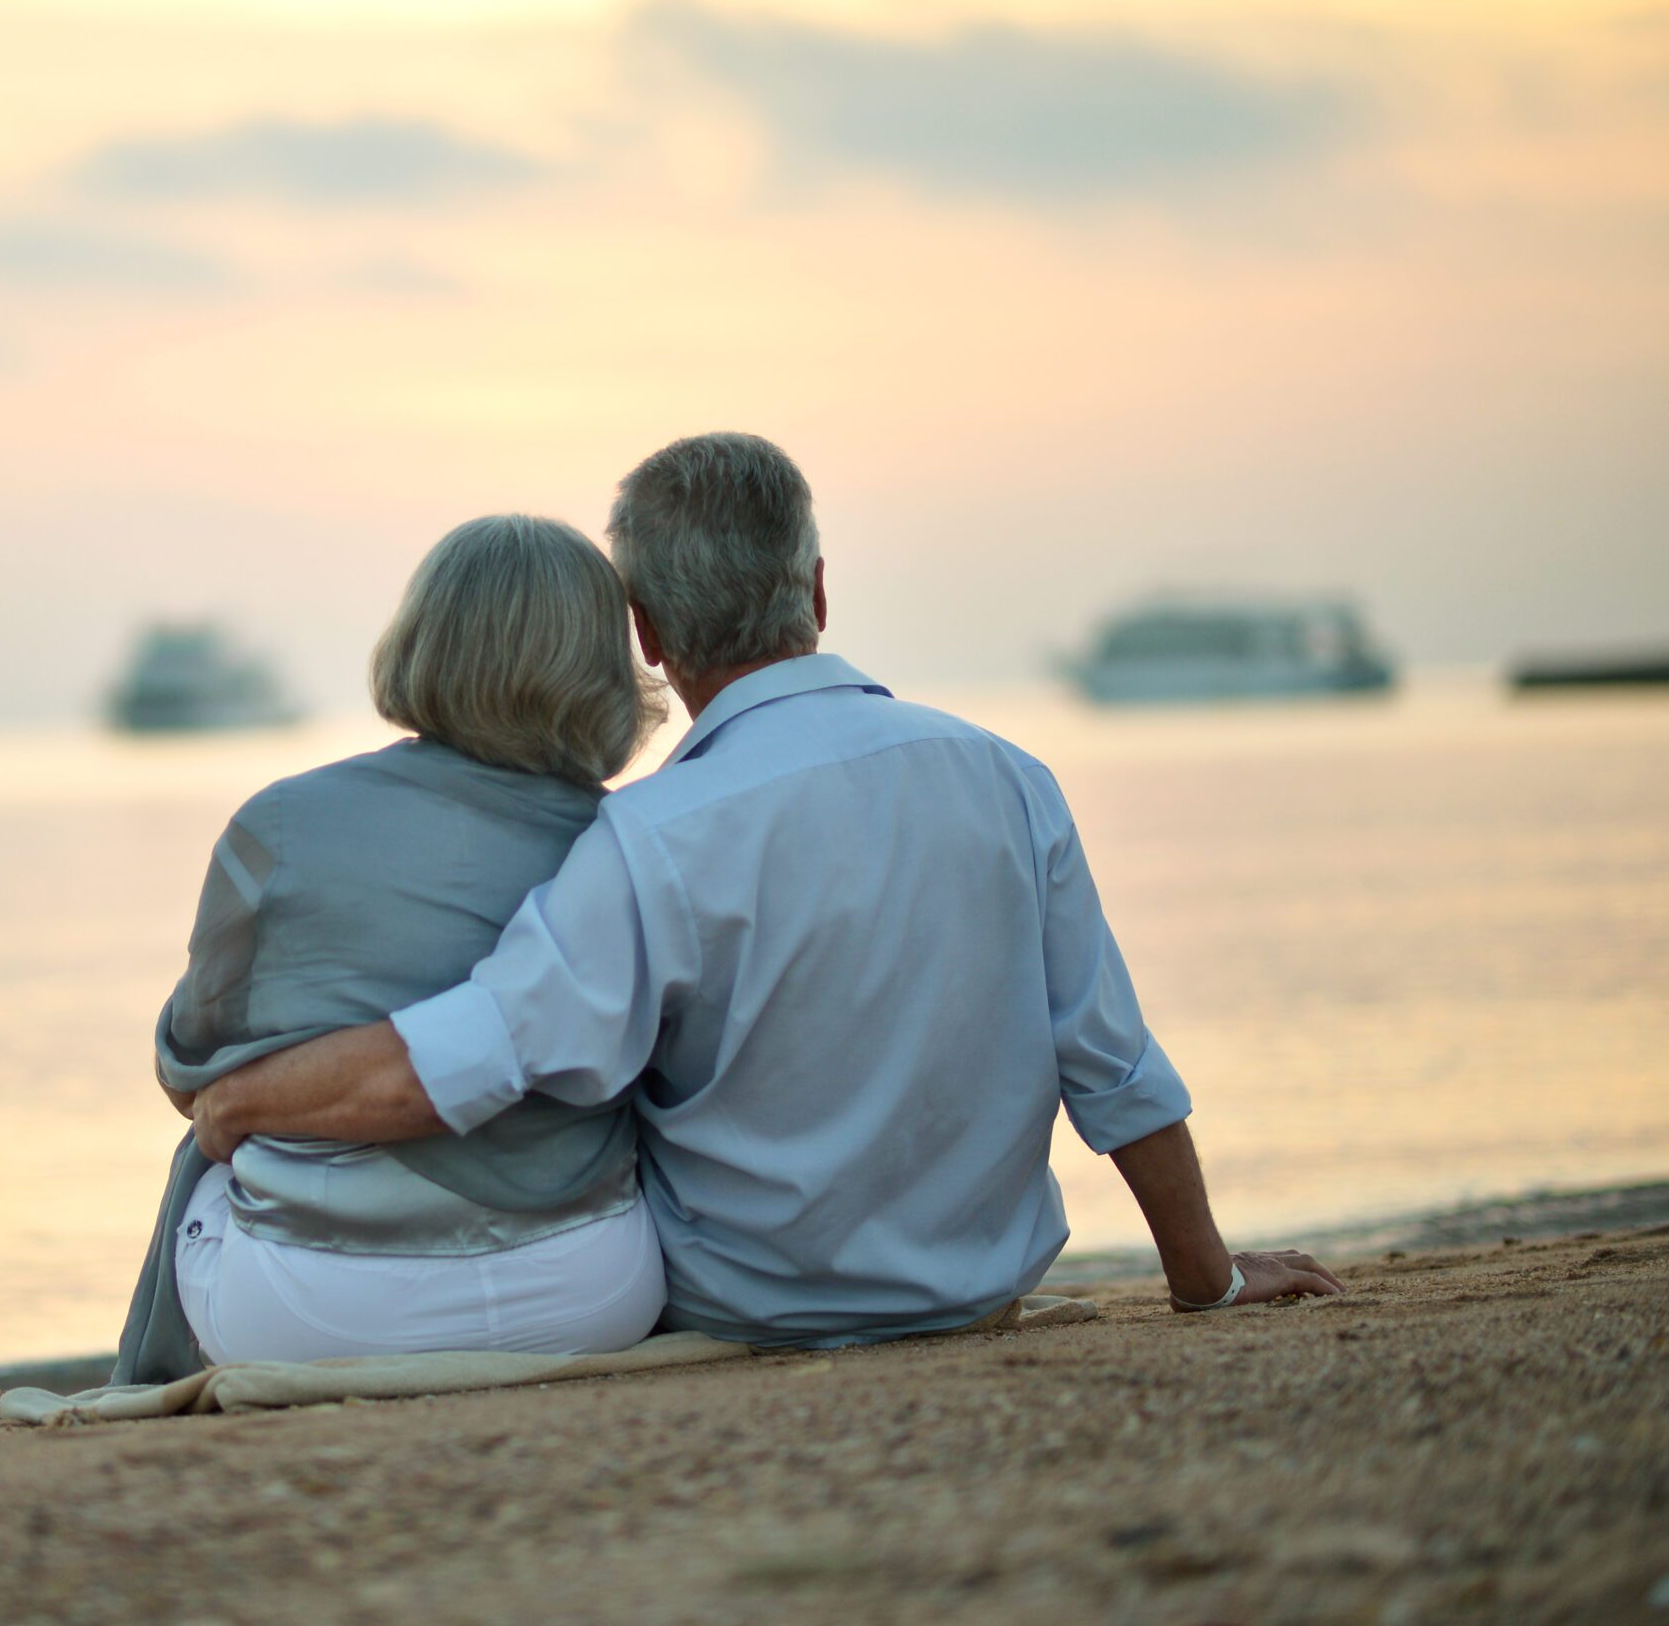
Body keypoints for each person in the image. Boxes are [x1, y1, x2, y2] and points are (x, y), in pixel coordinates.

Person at [191, 432, 1342, 1343]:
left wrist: (241, 1102)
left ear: (644, 632)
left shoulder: (649, 838)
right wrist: (1207, 1279)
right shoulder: (1007, 778)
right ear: (819, 590)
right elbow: (1110, 1060)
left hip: (753, 1308)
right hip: (976, 1291)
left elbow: (468, 1060)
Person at [112, 514, 671, 1385]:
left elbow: (187, 1074)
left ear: (420, 643)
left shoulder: (279, 826)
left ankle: (147, 1387)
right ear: (602, 671)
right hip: (592, 1296)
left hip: (313, 1310)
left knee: (212, 1151)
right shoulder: (633, 843)